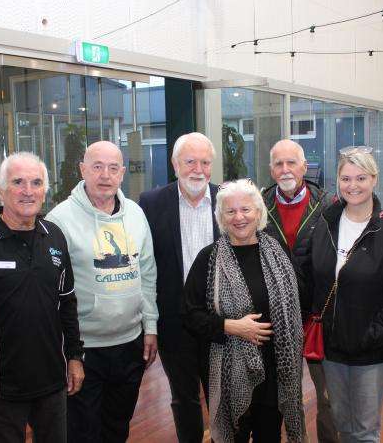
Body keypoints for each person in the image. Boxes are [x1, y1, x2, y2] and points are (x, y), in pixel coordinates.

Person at [0, 152, 84, 443]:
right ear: (1, 189)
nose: (28, 191)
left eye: (36, 182)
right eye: (18, 182)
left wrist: (74, 356)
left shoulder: (54, 237)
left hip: (52, 383)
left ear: (45, 190)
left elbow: (67, 304)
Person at [45, 140, 157, 443]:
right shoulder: (59, 219)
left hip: (130, 344)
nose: (105, 175)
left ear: (121, 173)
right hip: (84, 350)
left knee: (117, 427)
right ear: (83, 170)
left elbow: (147, 274)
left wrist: (150, 327)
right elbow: (52, 293)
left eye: (112, 168)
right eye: (97, 167)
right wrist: (69, 352)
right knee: (82, 432)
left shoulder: (135, 214)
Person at [183, 179, 304, 443]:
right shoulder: (209, 258)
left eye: (246, 210)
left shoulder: (279, 251)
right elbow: (190, 315)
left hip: (275, 370)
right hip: (227, 372)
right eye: (231, 211)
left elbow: (296, 304)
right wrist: (230, 326)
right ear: (221, 218)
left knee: (269, 435)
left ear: (259, 213)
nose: (239, 217)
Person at [302, 146, 383, 443]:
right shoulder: (324, 224)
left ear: (374, 180)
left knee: (365, 431)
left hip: (371, 351)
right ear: (338, 181)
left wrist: (374, 334)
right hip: (331, 349)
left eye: (361, 178)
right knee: (342, 424)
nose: (353, 185)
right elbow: (311, 277)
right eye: (346, 179)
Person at [138, 132, 220, 443]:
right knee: (183, 397)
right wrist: (150, 324)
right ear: (175, 165)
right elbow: (144, 267)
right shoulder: (151, 203)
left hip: (219, 321)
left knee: (222, 397)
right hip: (174, 322)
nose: (197, 169)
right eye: (190, 161)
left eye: (204, 162)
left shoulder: (227, 201)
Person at [260, 139, 337, 443]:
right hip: (274, 321)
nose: (285, 169)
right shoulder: (257, 206)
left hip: (317, 319)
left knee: (329, 400)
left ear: (305, 167)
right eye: (278, 163)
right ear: (271, 170)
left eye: (292, 162)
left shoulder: (329, 205)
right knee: (276, 400)